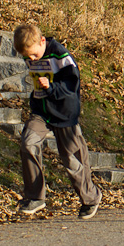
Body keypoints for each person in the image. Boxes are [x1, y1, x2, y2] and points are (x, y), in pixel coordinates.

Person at [13, 24, 102, 219]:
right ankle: (35, 197)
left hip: (64, 113)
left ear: (42, 41)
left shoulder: (63, 58)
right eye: (27, 57)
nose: (31, 60)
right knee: (28, 143)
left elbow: (71, 89)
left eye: (34, 56)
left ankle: (91, 198)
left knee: (72, 159)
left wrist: (51, 87)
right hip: (41, 112)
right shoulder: (30, 53)